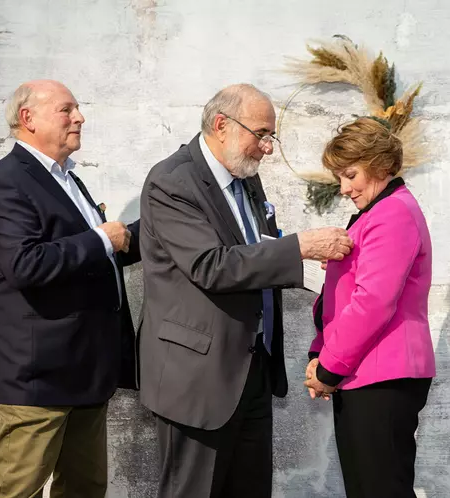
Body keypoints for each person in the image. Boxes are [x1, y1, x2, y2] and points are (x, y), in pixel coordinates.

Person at [139, 83, 353, 498]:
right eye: (262, 134)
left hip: (251, 370)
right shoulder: (172, 181)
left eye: (271, 136)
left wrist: (303, 260)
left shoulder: (245, 178)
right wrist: (299, 247)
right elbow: (210, 265)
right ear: (222, 125)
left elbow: (256, 249)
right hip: (197, 380)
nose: (268, 147)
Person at [0, 80, 141, 498]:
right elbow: (24, 265)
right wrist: (104, 238)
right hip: (39, 376)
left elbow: (89, 259)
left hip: (85, 369)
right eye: (67, 109)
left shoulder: (67, 178)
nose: (79, 117)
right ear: (27, 118)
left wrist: (155, 233)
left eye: (78, 108)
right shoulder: (5, 182)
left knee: (85, 488)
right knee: (19, 488)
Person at [304, 117, 436, 498]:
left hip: (383, 376)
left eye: (350, 175)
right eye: (340, 178)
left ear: (379, 164)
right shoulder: (378, 212)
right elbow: (342, 295)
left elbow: (372, 303)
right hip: (368, 373)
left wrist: (328, 368)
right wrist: (320, 355)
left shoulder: (392, 213)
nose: (344, 189)